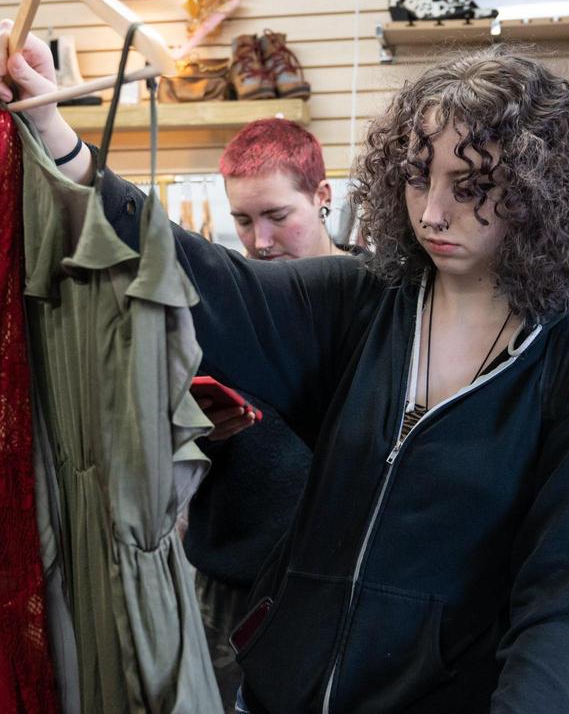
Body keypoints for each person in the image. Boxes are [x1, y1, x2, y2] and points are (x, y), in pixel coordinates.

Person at [0, 21, 569, 712]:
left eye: (470, 186)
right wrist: (61, 141)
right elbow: (208, 283)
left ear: (542, 194)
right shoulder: (358, 305)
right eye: (419, 177)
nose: (434, 211)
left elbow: (564, 606)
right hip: (280, 694)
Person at [183, 118, 359, 711]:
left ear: (324, 196)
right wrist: (193, 431)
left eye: (277, 217)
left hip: (344, 589)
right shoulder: (213, 313)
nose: (258, 241)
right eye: (241, 220)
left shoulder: (378, 304)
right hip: (230, 591)